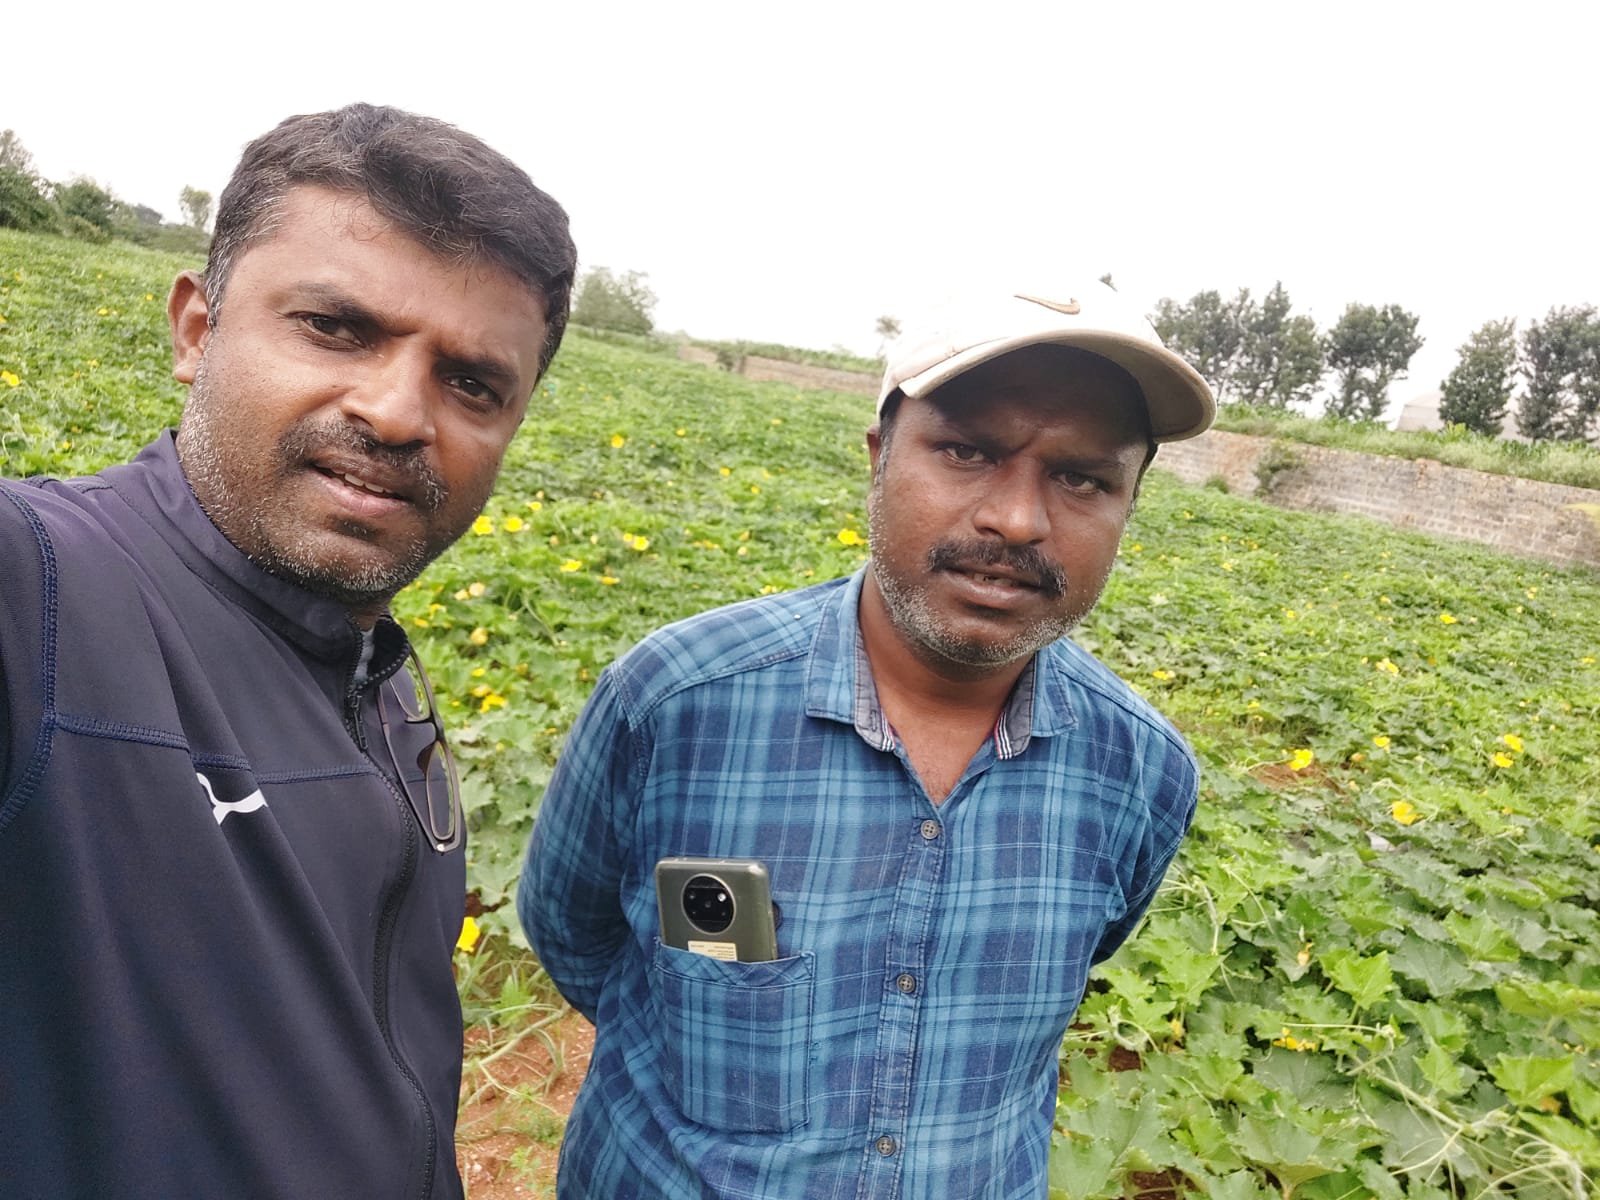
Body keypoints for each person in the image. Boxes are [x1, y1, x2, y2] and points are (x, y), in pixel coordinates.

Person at [518, 280, 1215, 1198]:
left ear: (1129, 503)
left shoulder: (1142, 772)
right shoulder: (674, 702)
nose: (1016, 519)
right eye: (967, 450)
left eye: (1082, 478)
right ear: (880, 457)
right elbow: (575, 936)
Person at [0, 103, 576, 1200]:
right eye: (335, 327)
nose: (397, 412)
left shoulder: (377, 674)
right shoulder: (41, 592)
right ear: (196, 330)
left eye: (471, 382)